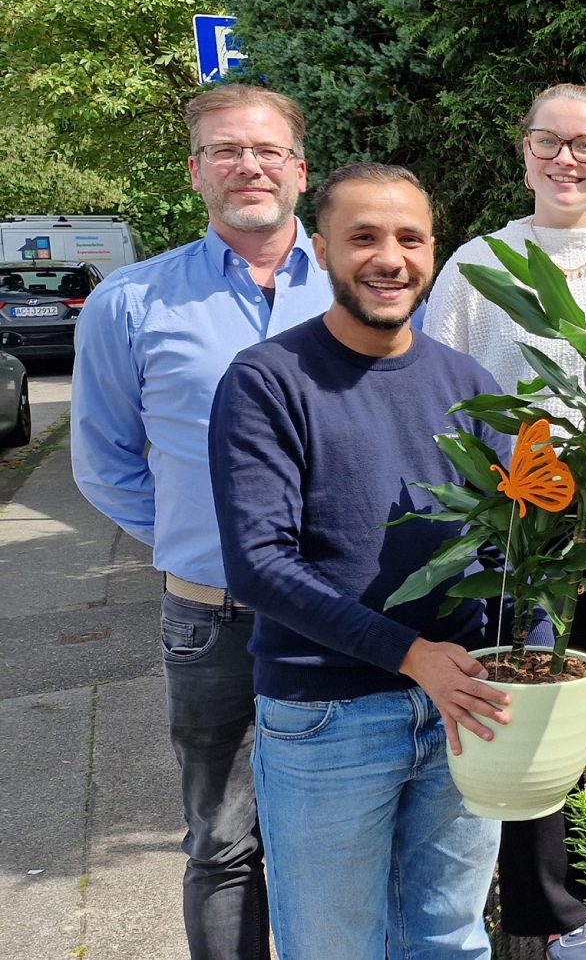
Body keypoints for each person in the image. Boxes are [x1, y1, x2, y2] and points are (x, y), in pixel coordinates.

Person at [206, 162, 511, 959]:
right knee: (334, 946)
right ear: (322, 247)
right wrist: (411, 657)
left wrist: (539, 678)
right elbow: (259, 563)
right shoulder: (269, 382)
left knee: (449, 938)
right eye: (363, 236)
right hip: (329, 718)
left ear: (433, 251)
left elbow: (511, 547)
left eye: (409, 237)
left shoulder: (464, 381)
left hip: (462, 708)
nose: (390, 257)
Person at [422, 83, 586, 959]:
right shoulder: (475, 266)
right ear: (522, 149)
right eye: (549, 141)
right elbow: (439, 393)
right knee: (528, 717)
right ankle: (552, 915)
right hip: (518, 514)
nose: (566, 159)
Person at [71, 83, 333, 960]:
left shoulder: (361, 283)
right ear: (195, 172)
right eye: (225, 150)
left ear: (300, 168)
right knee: (222, 844)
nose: (247, 165)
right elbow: (103, 459)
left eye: (266, 150)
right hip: (209, 619)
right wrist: (203, 536)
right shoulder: (132, 301)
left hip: (345, 615)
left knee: (342, 833)